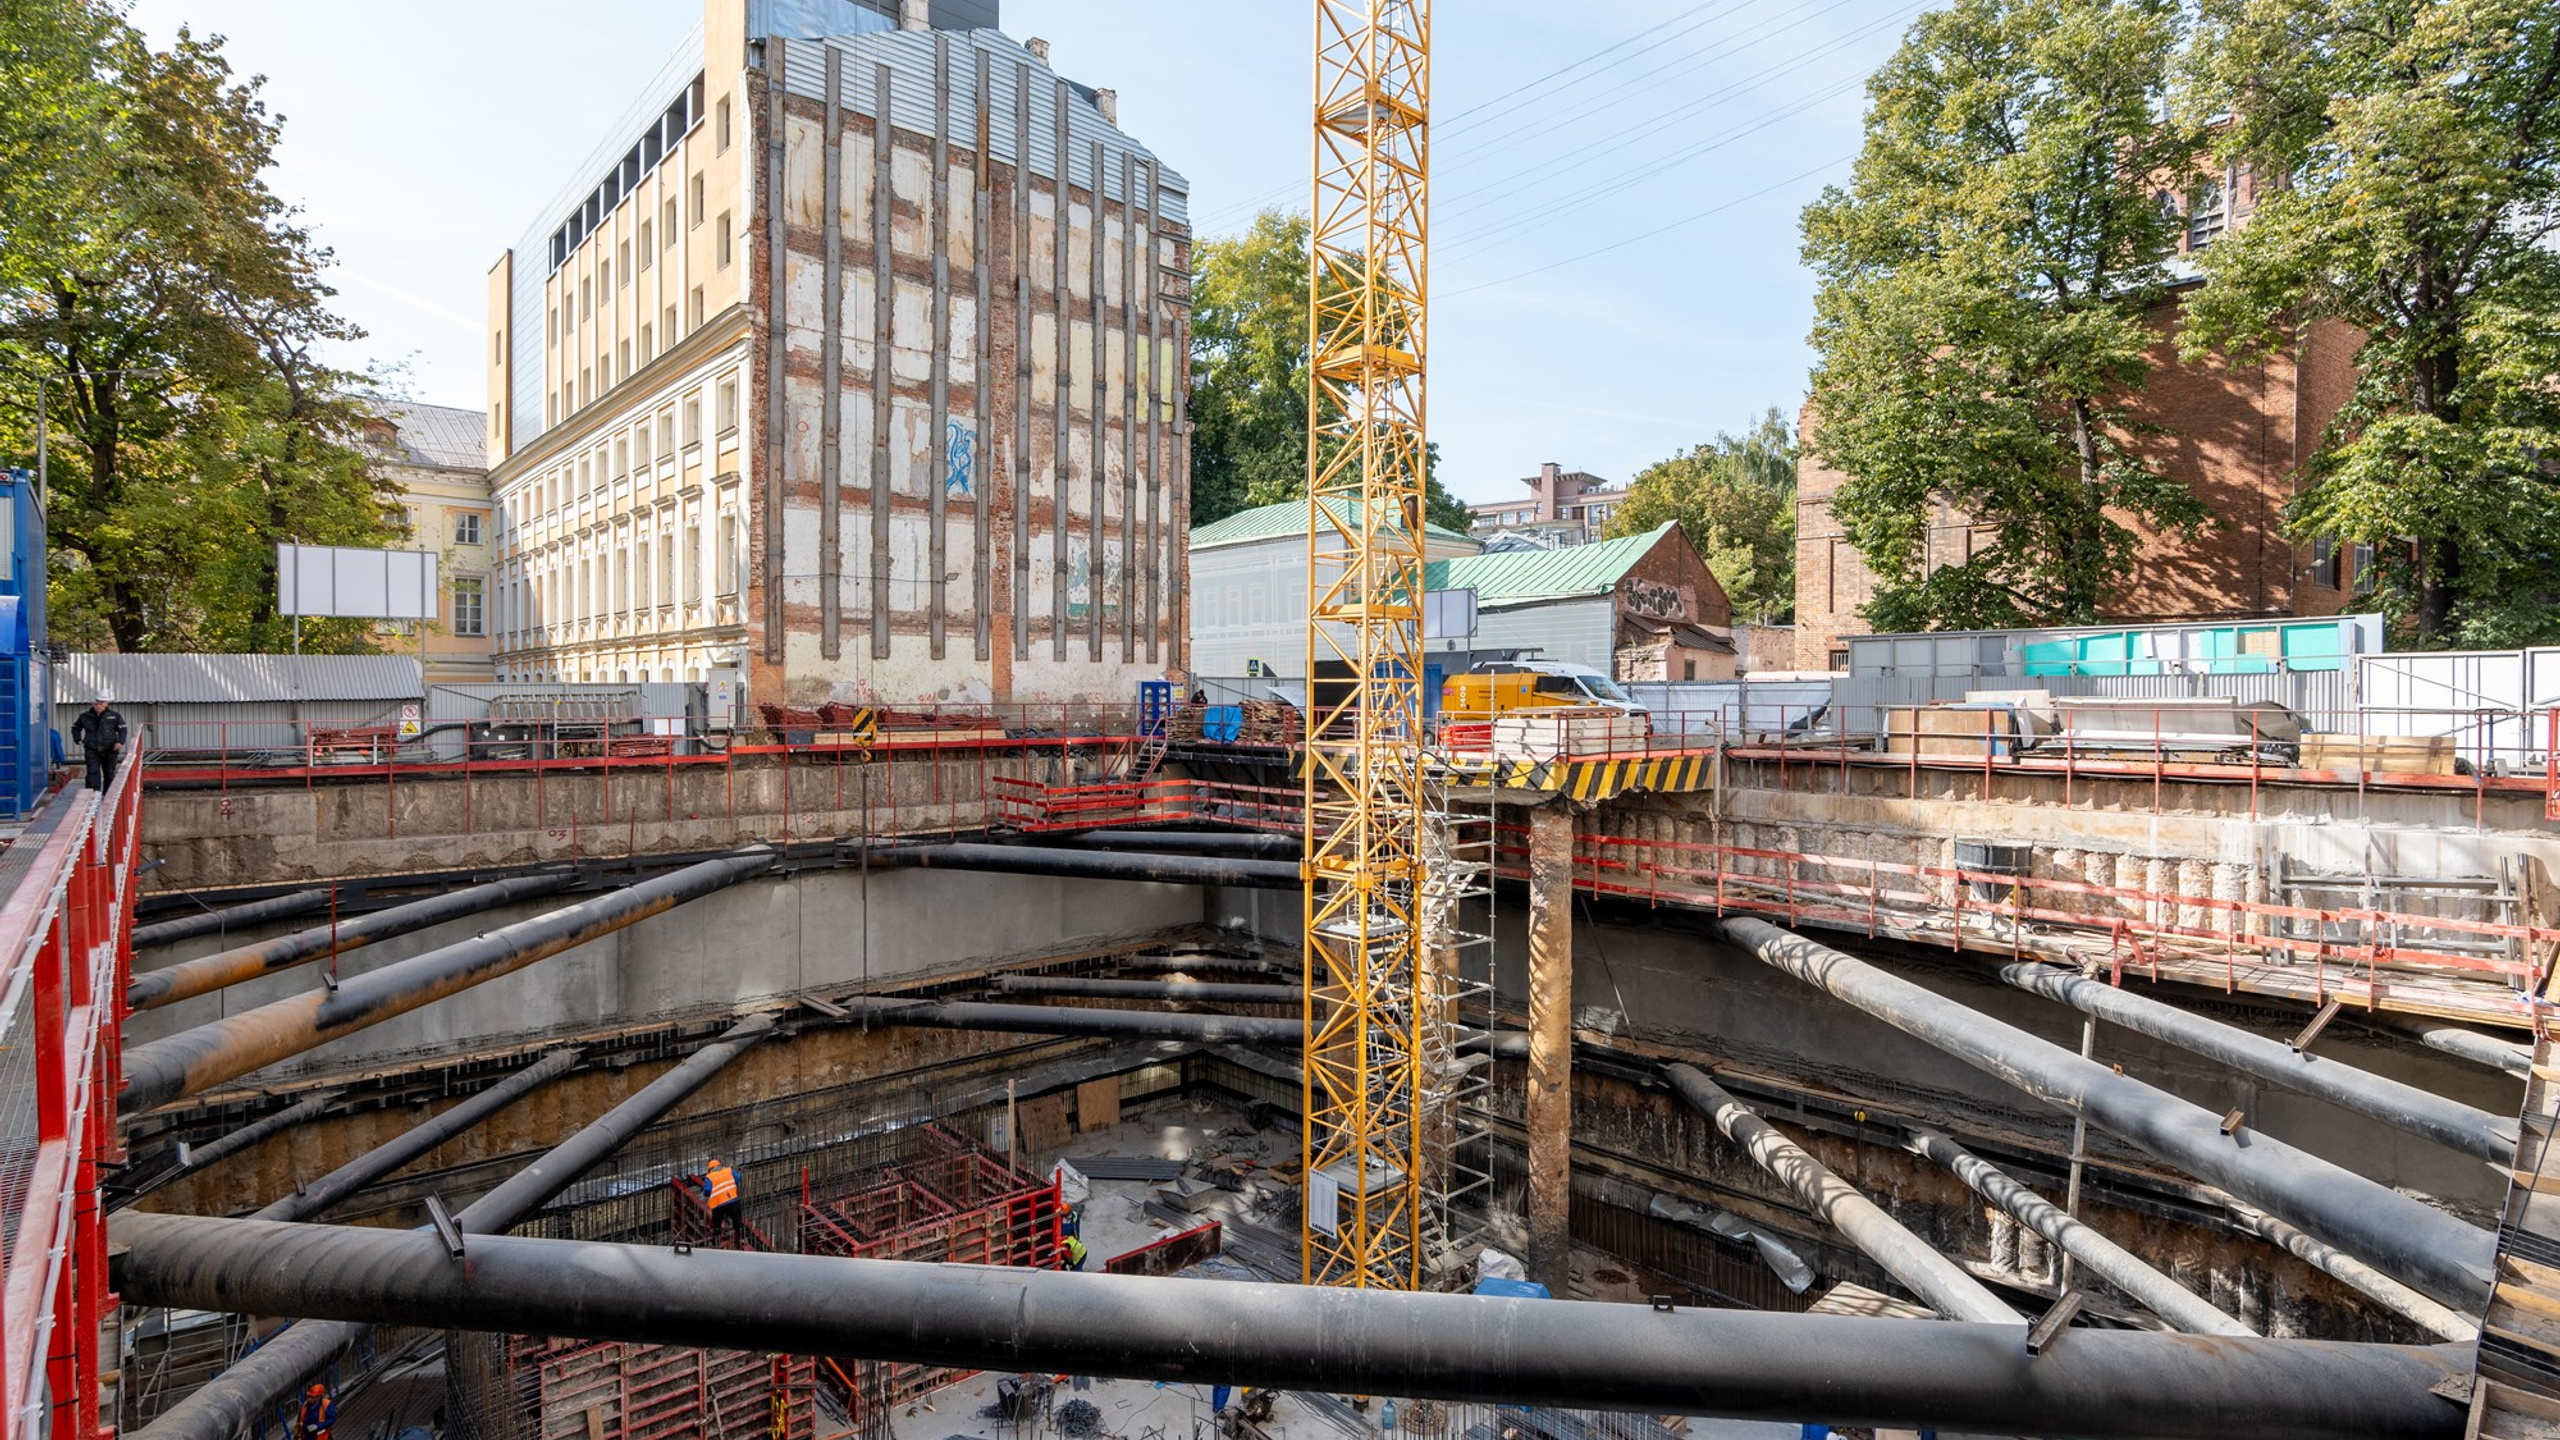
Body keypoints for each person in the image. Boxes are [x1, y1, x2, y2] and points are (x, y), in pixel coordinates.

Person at [70, 692, 126, 792]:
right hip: (92, 749)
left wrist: (120, 742)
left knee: (109, 773)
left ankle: (108, 795)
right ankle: (92, 797)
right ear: (93, 704)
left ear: (107, 704)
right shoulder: (85, 716)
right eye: (96, 704)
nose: (98, 706)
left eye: (101, 704)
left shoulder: (114, 716)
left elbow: (122, 730)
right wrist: (77, 739)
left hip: (110, 749)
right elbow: (76, 728)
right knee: (92, 772)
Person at [699, 1158, 744, 1241]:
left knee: (717, 1226)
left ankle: (716, 1240)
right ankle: (742, 1238)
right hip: (733, 1201)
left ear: (710, 1169)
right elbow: (738, 1178)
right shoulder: (728, 1170)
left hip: (719, 1205)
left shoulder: (710, 1176)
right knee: (737, 1222)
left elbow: (707, 1191)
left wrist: (706, 1193)